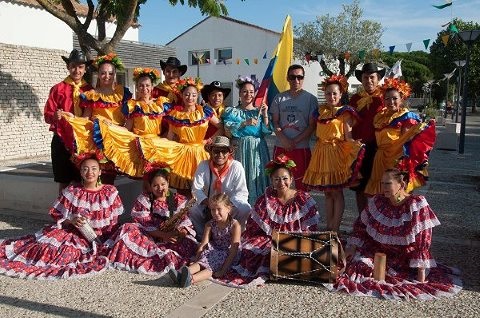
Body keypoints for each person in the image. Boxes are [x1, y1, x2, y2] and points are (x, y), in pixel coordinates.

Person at [330, 169, 462, 300]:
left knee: (376, 273)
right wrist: (352, 247)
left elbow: (423, 238)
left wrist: (421, 272)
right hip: (376, 250)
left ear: (402, 184)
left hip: (403, 257)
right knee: (358, 264)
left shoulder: (416, 204)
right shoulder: (378, 201)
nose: (384, 188)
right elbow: (361, 226)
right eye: (382, 184)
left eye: (388, 184)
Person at [0, 153, 124, 279]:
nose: (89, 172)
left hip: (100, 237)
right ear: (80, 172)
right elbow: (57, 214)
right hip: (75, 234)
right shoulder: (72, 192)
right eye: (85, 169)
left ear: (100, 172)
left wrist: (104, 240)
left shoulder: (110, 192)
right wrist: (71, 220)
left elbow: (114, 222)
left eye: (93, 168)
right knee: (51, 250)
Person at [219, 154, 320, 287]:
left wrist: (291, 238)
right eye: (276, 179)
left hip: (296, 238)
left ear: (291, 179)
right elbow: (253, 228)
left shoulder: (303, 199)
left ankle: (285, 269)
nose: (281, 183)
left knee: (313, 249)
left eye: (285, 179)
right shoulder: (265, 200)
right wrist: (273, 238)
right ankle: (278, 270)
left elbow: (311, 227)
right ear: (271, 180)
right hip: (269, 238)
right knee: (259, 250)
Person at [106, 164, 197, 275]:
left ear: (168, 182)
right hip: (150, 235)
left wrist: (181, 233)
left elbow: (185, 220)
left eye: (163, 184)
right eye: (155, 186)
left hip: (171, 236)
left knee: (187, 244)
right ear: (150, 186)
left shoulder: (178, 199)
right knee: (128, 228)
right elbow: (143, 222)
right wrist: (163, 235)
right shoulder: (145, 199)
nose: (160, 189)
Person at [137, 77, 223, 194]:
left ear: (197, 95)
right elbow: (170, 137)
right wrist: (155, 146)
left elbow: (220, 127)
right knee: (183, 189)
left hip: (201, 153)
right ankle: (184, 211)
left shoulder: (204, 111)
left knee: (203, 188)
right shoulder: (176, 115)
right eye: (187, 94)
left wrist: (209, 140)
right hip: (182, 155)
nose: (190, 98)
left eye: (193, 95)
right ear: (182, 95)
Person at [58, 53, 132, 185]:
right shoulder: (92, 95)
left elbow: (129, 120)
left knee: (110, 180)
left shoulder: (122, 93)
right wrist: (73, 118)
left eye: (110, 73)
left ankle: (109, 204)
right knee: (95, 177)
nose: (107, 76)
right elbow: (86, 118)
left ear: (114, 74)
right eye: (103, 73)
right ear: (98, 74)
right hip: (97, 140)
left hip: (116, 140)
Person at [303, 75, 364, 232]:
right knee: (327, 193)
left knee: (336, 193)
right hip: (321, 154)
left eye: (335, 93)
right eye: (328, 93)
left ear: (341, 93)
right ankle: (328, 226)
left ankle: (334, 228)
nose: (331, 97)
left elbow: (348, 137)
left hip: (336, 154)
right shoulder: (320, 111)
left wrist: (356, 148)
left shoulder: (345, 112)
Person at [94, 67, 171, 178]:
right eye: (141, 85)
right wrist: (110, 125)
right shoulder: (133, 105)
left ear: (152, 87)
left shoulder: (160, 104)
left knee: (160, 176)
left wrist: (165, 140)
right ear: (137, 88)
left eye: (147, 85)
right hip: (140, 145)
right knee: (146, 176)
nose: (144, 88)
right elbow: (127, 128)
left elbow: (169, 127)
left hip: (157, 144)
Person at [364, 78, 436, 196]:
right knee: (381, 193)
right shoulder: (380, 117)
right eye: (387, 98)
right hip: (380, 158)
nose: (391, 101)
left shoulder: (406, 117)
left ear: (402, 99)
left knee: (396, 193)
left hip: (395, 160)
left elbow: (406, 143)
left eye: (394, 98)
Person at [44, 49, 93, 193]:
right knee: (64, 182)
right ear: (68, 67)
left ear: (85, 69)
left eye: (80, 67)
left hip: (83, 141)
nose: (76, 70)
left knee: (83, 181)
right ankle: (62, 214)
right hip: (61, 140)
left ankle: (81, 214)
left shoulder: (90, 90)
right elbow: (47, 114)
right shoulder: (57, 89)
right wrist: (55, 115)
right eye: (73, 66)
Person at [170, 193, 241, 287]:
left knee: (212, 266)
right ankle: (180, 274)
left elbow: (233, 250)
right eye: (212, 210)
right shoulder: (210, 224)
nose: (215, 213)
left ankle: (191, 279)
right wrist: (196, 258)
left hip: (227, 253)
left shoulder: (235, 225)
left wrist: (223, 270)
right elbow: (203, 244)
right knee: (203, 260)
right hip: (214, 250)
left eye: (219, 209)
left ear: (228, 208)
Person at [189, 136, 251, 239]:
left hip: (230, 206)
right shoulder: (203, 165)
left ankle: (237, 236)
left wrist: (225, 207)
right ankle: (201, 236)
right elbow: (196, 189)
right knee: (193, 208)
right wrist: (209, 203)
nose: (220, 155)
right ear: (211, 152)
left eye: (224, 151)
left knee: (245, 208)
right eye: (216, 151)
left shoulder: (236, 166)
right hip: (209, 204)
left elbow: (241, 193)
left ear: (229, 153)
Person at [222, 76, 272, 205]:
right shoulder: (233, 112)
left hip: (257, 149)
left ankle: (258, 208)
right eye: (245, 91)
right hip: (240, 148)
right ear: (239, 93)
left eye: (251, 91)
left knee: (257, 176)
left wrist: (265, 113)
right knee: (240, 178)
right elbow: (229, 130)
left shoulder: (258, 112)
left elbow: (266, 131)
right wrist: (245, 123)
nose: (248, 94)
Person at [270, 64, 318, 191]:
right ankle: (281, 210)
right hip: (281, 146)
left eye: (299, 77)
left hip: (301, 148)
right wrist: (284, 140)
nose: (296, 80)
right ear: (287, 78)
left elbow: (312, 125)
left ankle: (302, 210)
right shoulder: (279, 98)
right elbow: (275, 122)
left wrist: (294, 141)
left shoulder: (311, 99)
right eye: (292, 77)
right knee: (279, 184)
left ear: (303, 78)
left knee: (302, 184)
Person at [349, 62, 386, 213]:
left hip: (378, 148)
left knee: (378, 186)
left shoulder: (385, 98)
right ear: (361, 79)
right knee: (360, 187)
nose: (369, 81)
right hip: (359, 148)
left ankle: (377, 223)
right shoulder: (355, 99)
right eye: (365, 77)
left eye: (372, 77)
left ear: (378, 79)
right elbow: (347, 122)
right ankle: (361, 223)